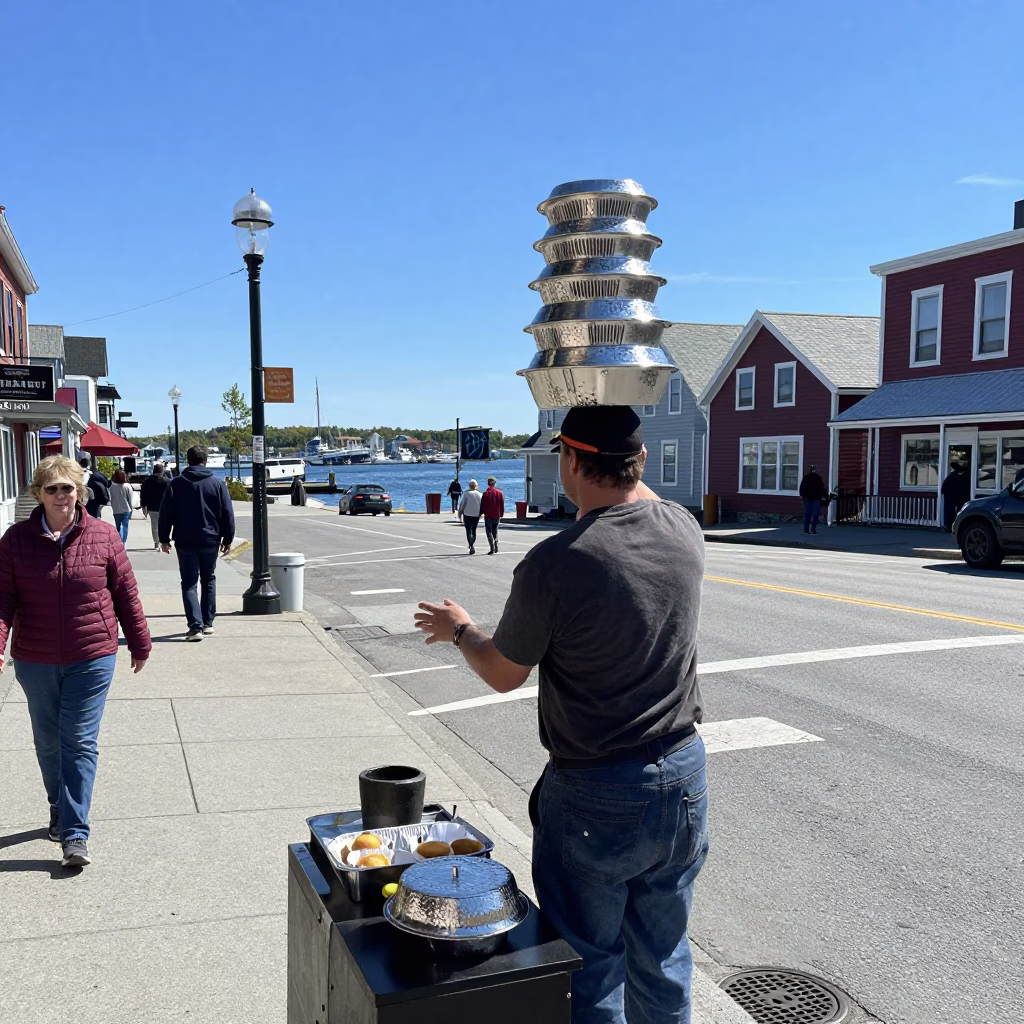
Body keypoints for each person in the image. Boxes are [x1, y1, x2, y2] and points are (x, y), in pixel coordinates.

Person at [414, 406, 708, 1024]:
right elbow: (636, 499)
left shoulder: (556, 561)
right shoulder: (684, 529)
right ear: (641, 461)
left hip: (597, 791)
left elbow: (503, 673)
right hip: (683, 776)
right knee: (663, 955)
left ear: (571, 460)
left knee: (590, 967)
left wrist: (461, 629)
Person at [0, 455, 150, 868]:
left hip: (92, 655)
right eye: (53, 489)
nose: (63, 495)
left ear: (79, 491)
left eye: (69, 487)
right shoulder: (15, 541)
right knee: (48, 742)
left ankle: (75, 833)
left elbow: (125, 594)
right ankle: (57, 806)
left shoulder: (103, 536)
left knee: (79, 741)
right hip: (35, 658)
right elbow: (3, 600)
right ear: (38, 495)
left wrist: (139, 641)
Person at [159, 445, 235, 641]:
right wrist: (228, 539)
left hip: (185, 539)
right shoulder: (217, 484)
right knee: (208, 578)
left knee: (189, 583)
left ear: (188, 460)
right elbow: (227, 513)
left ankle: (195, 626)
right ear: (206, 460)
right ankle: (208, 622)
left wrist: (164, 538)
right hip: (210, 538)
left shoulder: (175, 484)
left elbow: (166, 513)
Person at [139, 462, 170, 550]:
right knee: (165, 525)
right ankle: (164, 540)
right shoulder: (167, 481)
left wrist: (143, 506)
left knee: (154, 525)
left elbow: (143, 495)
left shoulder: (147, 481)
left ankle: (157, 542)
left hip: (152, 507)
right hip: (165, 507)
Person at [941, 462, 971, 531]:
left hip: (950, 496)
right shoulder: (966, 477)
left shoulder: (951, 476)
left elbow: (943, 488)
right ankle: (957, 527)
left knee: (950, 511)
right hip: (960, 496)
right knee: (958, 511)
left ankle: (949, 526)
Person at [799, 464, 827, 535]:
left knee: (811, 514)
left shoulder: (816, 478)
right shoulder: (807, 478)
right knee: (812, 514)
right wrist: (803, 496)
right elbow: (802, 488)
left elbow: (821, 488)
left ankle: (811, 530)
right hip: (810, 499)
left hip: (814, 499)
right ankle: (809, 530)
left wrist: (821, 496)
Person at [480, 476, 505, 554]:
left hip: (488, 515)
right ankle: (496, 543)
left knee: (489, 531)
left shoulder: (485, 493)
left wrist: (480, 513)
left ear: (488, 483)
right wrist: (501, 513)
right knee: (495, 530)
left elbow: (482, 505)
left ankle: (492, 547)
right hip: (496, 514)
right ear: (495, 483)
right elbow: (502, 504)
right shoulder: (500, 493)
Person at [109, 468, 134, 544]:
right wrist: (131, 509)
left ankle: (119, 540)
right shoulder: (127, 486)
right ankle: (122, 542)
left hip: (116, 510)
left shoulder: (112, 487)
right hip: (126, 509)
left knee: (118, 526)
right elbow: (130, 498)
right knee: (124, 527)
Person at [457, 479, 482, 554]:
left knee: (468, 531)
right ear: (476, 486)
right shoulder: (480, 494)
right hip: (476, 515)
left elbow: (462, 505)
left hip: (467, 514)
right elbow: (482, 506)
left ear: (469, 486)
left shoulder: (467, 494)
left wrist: (459, 514)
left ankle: (471, 546)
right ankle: (472, 544)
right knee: (473, 530)